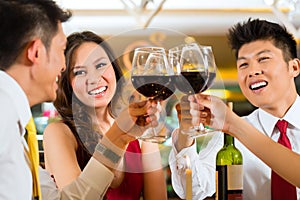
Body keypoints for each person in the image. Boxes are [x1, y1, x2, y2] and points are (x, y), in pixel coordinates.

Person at [0, 1, 157, 199]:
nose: (62, 67)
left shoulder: (15, 127)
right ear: (36, 52)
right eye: (61, 49)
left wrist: (120, 134)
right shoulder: (4, 119)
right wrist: (119, 135)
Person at [169, 18, 300, 199]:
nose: (252, 71)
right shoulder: (227, 137)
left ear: (293, 67)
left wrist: (233, 124)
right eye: (243, 64)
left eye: (263, 59)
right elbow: (193, 190)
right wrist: (185, 135)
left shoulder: (232, 126)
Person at [43, 31, 167, 200]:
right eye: (79, 72)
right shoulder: (59, 133)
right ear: (68, 83)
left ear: (114, 70)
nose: (94, 79)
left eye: (100, 65)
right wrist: (119, 136)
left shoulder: (140, 131)